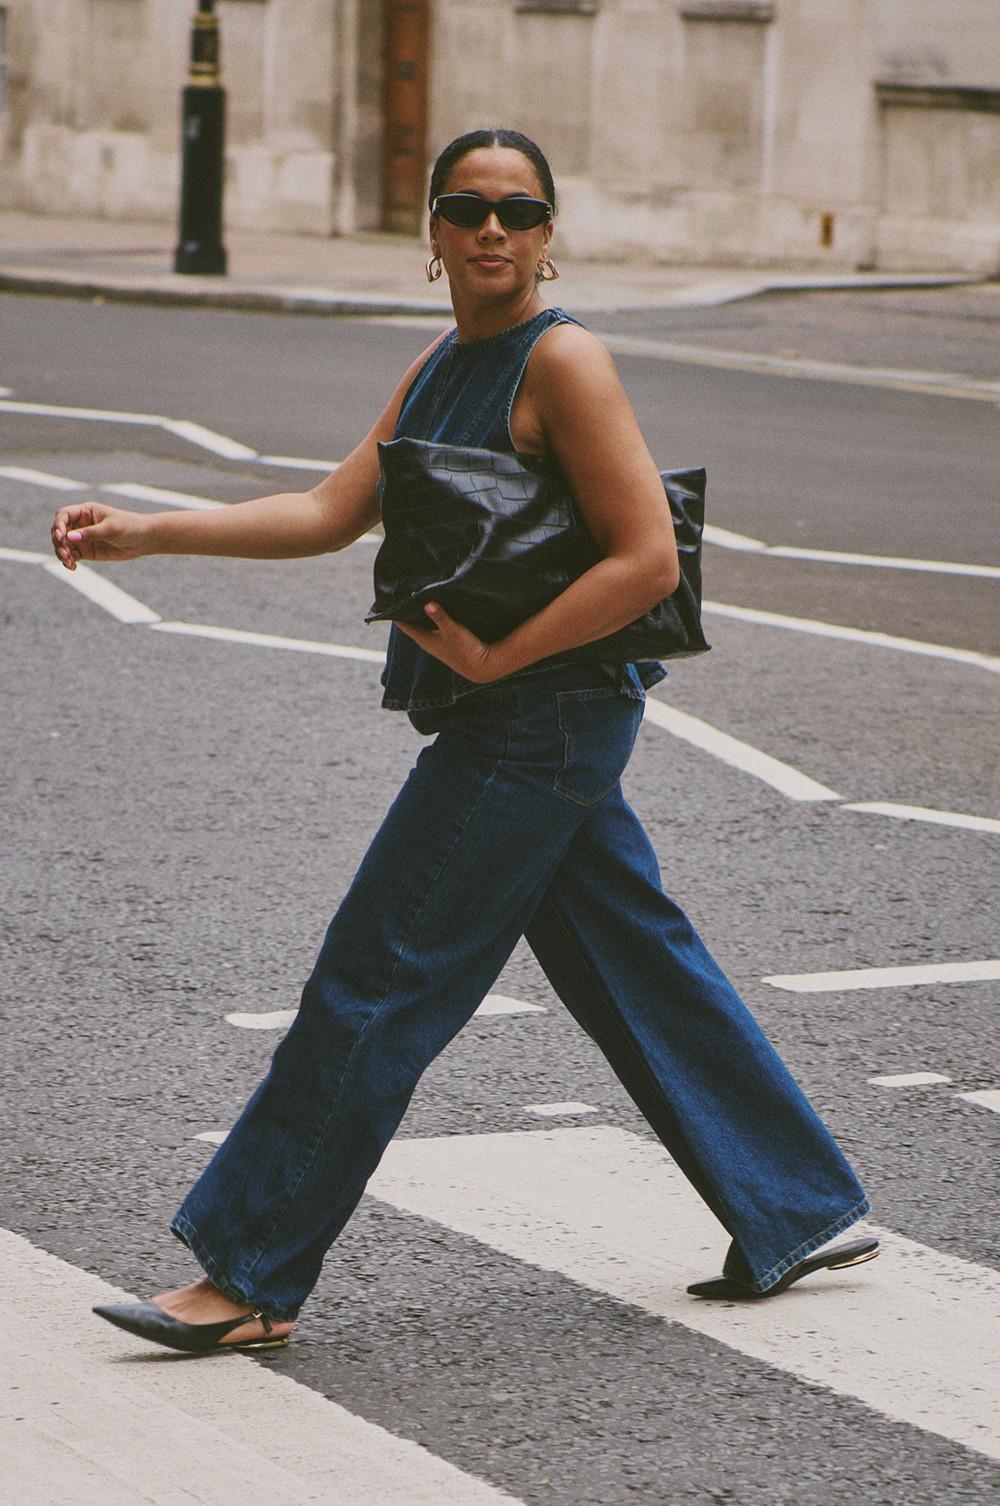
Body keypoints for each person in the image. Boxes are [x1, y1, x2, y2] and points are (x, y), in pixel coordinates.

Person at [51, 128, 877, 1354]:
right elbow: (328, 511)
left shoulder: (564, 361)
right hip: (530, 719)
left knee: (376, 976)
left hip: (535, 722)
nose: (494, 228)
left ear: (548, 236)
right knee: (633, 962)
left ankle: (251, 1273)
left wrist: (499, 657)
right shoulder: (442, 363)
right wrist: (149, 531)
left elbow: (646, 559)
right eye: (468, 206)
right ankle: (796, 1203)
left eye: (519, 210)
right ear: (432, 233)